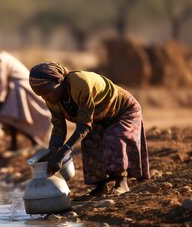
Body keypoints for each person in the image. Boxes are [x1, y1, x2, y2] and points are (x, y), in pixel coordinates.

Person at [29, 62, 150, 196]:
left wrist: (62, 153)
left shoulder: (80, 84)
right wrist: (52, 151)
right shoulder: (52, 100)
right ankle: (100, 186)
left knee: (114, 136)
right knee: (89, 141)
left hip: (124, 111)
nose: (46, 97)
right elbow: (59, 127)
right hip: (100, 117)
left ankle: (122, 183)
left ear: (59, 80)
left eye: (47, 92)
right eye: (41, 95)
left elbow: (83, 126)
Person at [0, 43, 52, 150]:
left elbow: (0, 86)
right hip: (13, 91)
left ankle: (33, 143)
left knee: (8, 115)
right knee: (10, 117)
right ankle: (15, 145)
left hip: (21, 89)